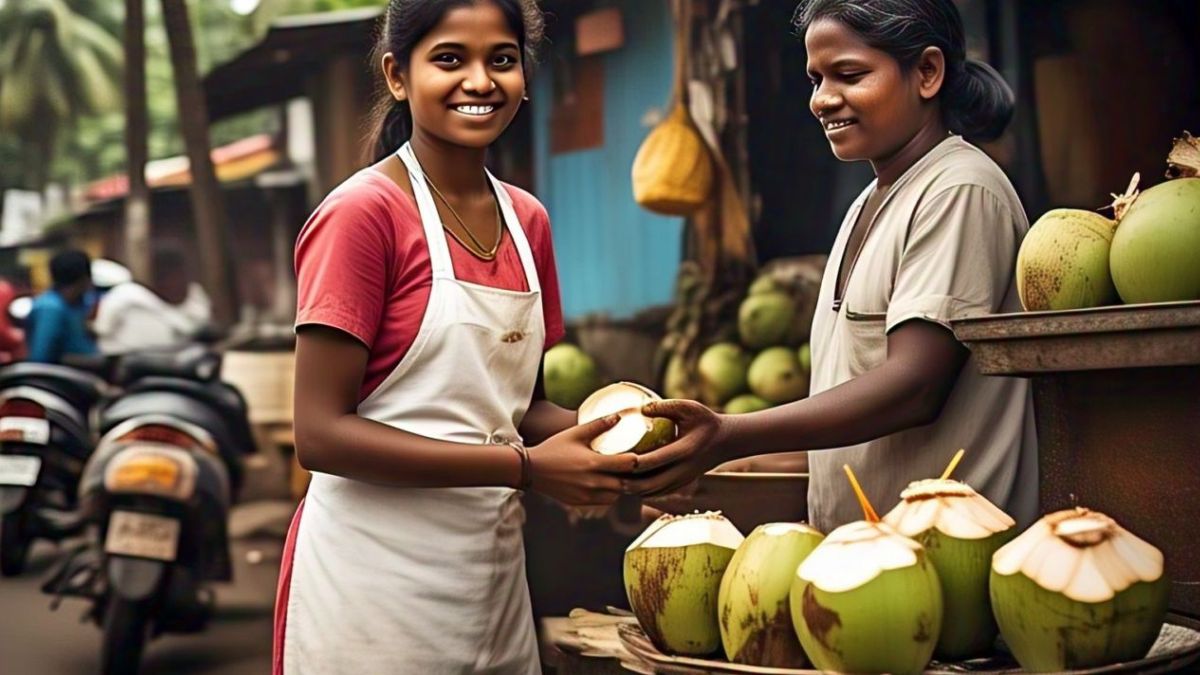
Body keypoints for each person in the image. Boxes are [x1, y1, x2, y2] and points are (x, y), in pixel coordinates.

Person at [272, 2, 665, 672]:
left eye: (502, 60)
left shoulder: (527, 220)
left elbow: (518, 409)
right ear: (399, 75)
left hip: (489, 581)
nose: (480, 81)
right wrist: (528, 468)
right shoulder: (362, 215)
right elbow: (320, 433)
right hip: (370, 589)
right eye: (450, 58)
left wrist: (634, 444)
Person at [631, 0, 1037, 533]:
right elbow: (860, 420)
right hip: (871, 566)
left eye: (849, 74)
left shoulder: (959, 189)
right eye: (815, 78)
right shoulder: (869, 202)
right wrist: (730, 471)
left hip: (947, 564)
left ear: (927, 72)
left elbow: (913, 387)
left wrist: (731, 433)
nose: (823, 100)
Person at [93, 249, 211, 354]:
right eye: (167, 277)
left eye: (178, 277)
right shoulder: (126, 295)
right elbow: (102, 328)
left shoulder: (195, 299)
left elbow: (198, 327)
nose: (173, 284)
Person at [25, 249, 98, 364]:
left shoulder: (77, 304)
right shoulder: (50, 309)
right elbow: (42, 358)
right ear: (85, 279)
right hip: (63, 377)